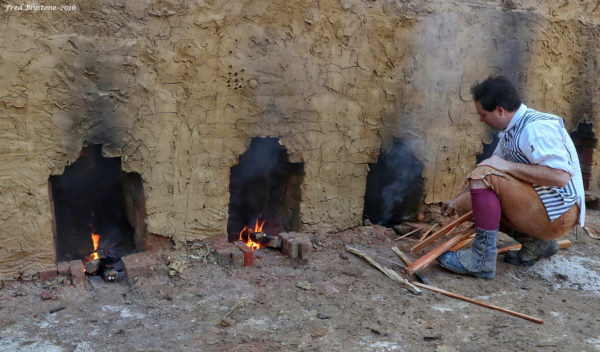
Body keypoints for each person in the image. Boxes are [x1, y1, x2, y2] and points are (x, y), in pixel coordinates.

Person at [437, 75, 585, 279]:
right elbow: (490, 172)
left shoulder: (534, 129)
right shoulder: (512, 131)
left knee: (484, 176)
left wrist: (505, 166)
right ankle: (537, 244)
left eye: (483, 114)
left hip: (559, 215)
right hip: (547, 210)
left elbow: (561, 177)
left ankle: (480, 261)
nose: (481, 119)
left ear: (500, 110)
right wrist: (456, 202)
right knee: (483, 198)